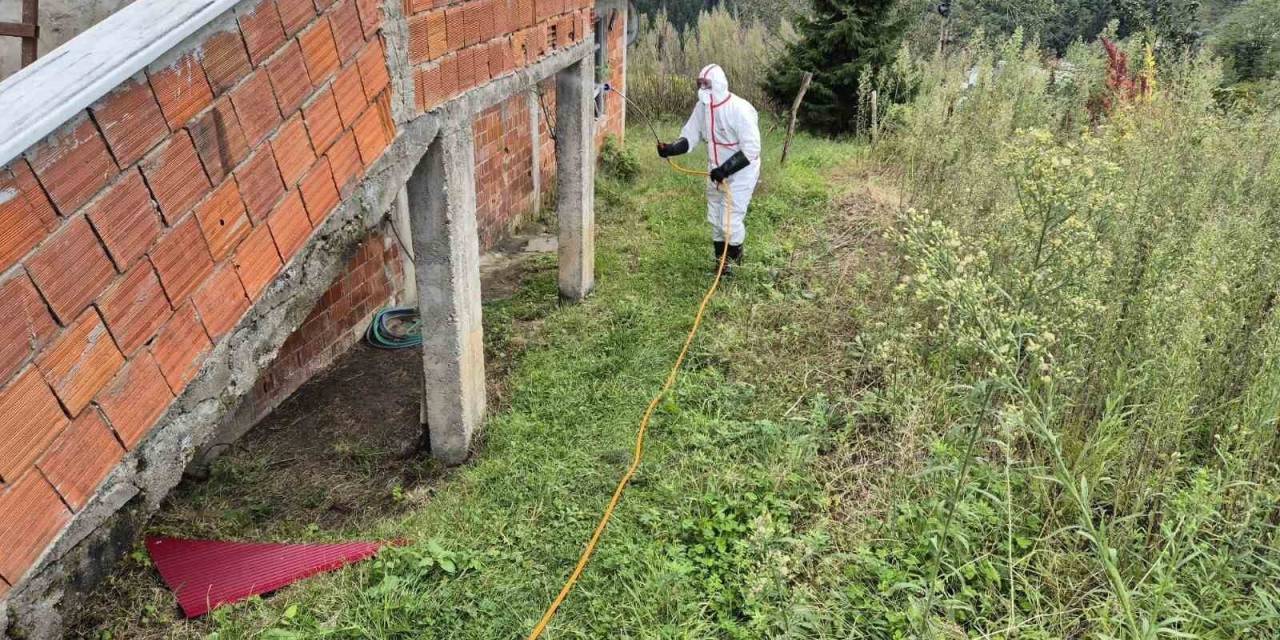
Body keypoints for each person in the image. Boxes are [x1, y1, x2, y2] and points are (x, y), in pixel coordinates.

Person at [656, 64, 762, 274]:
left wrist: (726, 169)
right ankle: (720, 264)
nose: (703, 88)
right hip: (715, 171)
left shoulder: (739, 109)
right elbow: (691, 135)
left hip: (741, 173)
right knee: (715, 217)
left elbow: (751, 148)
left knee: (730, 220)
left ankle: (733, 262)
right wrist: (671, 149)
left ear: (720, 84)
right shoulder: (702, 107)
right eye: (700, 84)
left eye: (707, 84)